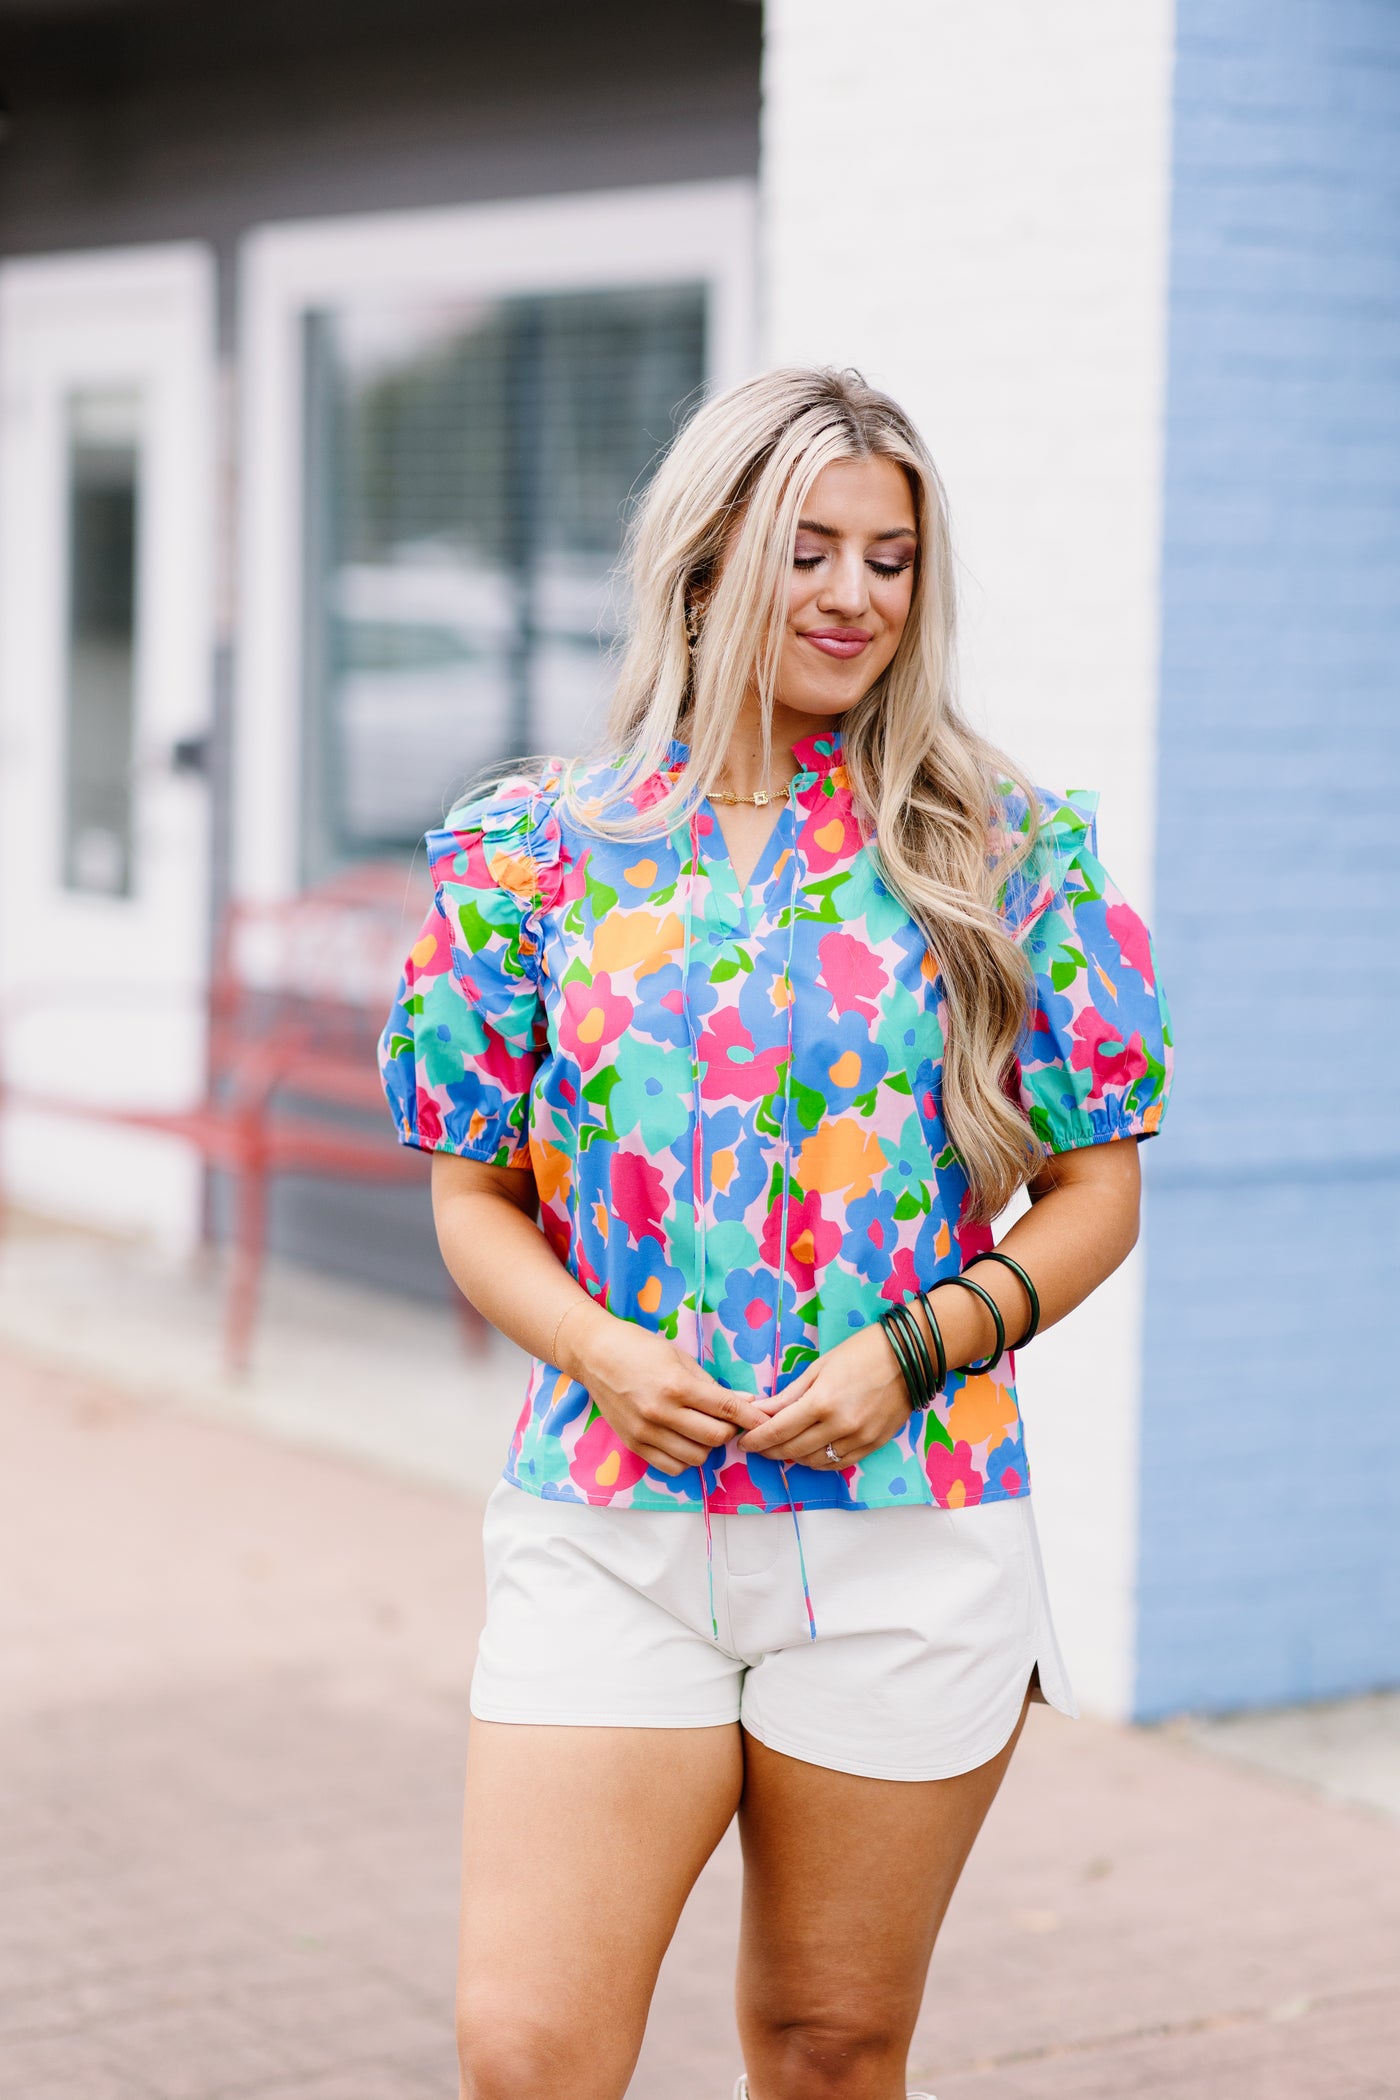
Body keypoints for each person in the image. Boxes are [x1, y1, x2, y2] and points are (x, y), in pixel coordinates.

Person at [379, 366, 1172, 2100]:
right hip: (612, 1523)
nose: (852, 596)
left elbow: (1097, 1189)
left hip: (910, 1532)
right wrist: (602, 1351)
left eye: (891, 559)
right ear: (704, 556)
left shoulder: (998, 847)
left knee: (829, 2047)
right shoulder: (536, 855)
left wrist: (913, 1352)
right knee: (527, 2050)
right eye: (809, 546)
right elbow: (473, 1199)